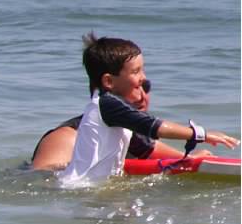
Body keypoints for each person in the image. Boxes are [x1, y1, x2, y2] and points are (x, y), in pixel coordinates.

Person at [55, 33, 236, 187]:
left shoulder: (115, 113)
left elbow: (144, 147)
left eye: (142, 70)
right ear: (108, 81)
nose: (143, 78)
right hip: (79, 186)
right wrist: (199, 134)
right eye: (136, 72)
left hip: (91, 187)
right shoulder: (107, 104)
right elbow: (155, 127)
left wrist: (187, 159)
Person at [29, 77, 180, 170]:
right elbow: (41, 177)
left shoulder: (135, 137)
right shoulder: (67, 137)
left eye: (145, 87)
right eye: (134, 87)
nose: (142, 96)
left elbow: (184, 161)